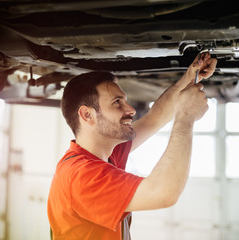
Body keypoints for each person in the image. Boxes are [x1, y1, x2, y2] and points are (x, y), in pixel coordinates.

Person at [47, 52, 217, 240]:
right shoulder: (82, 177)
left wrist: (191, 77)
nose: (131, 110)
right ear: (87, 115)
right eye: (117, 103)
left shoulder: (106, 154)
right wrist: (185, 117)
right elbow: (164, 192)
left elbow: (154, 118)